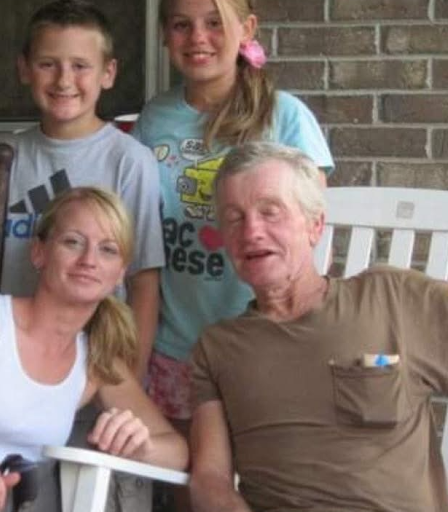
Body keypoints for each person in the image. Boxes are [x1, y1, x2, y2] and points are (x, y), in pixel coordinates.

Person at [190, 141, 448, 512]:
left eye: (270, 213)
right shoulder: (217, 347)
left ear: (315, 226)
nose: (252, 231)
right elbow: (210, 477)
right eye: (234, 218)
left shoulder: (391, 299)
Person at [132, 0, 334, 432]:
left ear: (247, 29)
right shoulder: (155, 118)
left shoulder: (285, 116)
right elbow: (142, 236)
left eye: (214, 23)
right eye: (181, 25)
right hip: (178, 342)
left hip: (265, 342)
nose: (198, 38)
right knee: (183, 467)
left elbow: (309, 236)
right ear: (164, 34)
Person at [0, 187, 188, 512]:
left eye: (107, 250)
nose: (89, 260)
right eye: (73, 242)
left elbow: (177, 452)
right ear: (39, 253)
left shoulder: (95, 359)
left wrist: (140, 445)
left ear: (120, 274)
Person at [1, 0, 162, 381]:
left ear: (108, 73)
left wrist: (131, 378)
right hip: (11, 358)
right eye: (48, 64)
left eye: (80, 66)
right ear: (24, 68)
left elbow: (144, 281)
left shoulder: (129, 161)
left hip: (96, 364)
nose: (63, 80)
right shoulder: (7, 156)